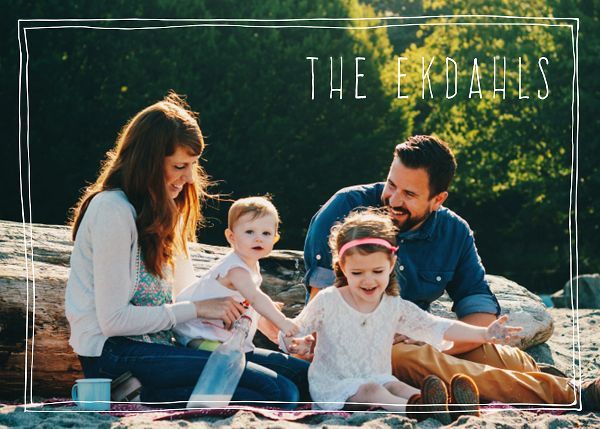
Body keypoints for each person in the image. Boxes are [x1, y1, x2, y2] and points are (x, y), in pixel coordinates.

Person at [303, 134, 599, 408]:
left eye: (408, 194)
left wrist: (429, 339)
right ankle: (572, 394)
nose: (392, 200)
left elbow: (478, 307)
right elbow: (322, 307)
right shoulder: (346, 210)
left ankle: (530, 377)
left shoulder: (454, 231)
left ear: (438, 199)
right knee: (410, 356)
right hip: (362, 351)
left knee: (505, 359)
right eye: (391, 184)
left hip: (420, 335)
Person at [64, 93, 309, 409]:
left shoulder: (167, 211)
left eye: (193, 165)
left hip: (165, 343)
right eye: (180, 166)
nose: (189, 177)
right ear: (148, 162)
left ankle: (151, 392)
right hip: (113, 353)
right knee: (279, 394)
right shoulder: (113, 209)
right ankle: (137, 392)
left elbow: (186, 296)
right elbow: (114, 321)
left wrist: (245, 313)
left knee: (301, 377)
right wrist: (201, 308)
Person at [283, 210, 521, 422]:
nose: (368, 280)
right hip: (333, 386)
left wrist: (484, 333)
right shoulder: (328, 300)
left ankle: (449, 407)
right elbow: (295, 328)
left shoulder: (393, 306)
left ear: (391, 263)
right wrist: (293, 341)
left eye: (377, 271)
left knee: (399, 386)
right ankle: (420, 410)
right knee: (373, 391)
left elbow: (436, 325)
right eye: (357, 272)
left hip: (379, 376)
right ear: (342, 267)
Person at [174, 196, 299, 352]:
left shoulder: (251, 263)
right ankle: (204, 352)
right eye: (249, 232)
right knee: (225, 355)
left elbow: (250, 299)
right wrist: (283, 322)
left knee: (234, 351)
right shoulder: (235, 269)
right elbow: (255, 298)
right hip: (196, 331)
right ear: (231, 237)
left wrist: (268, 312)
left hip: (217, 329)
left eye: (266, 233)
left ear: (275, 238)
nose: (258, 238)